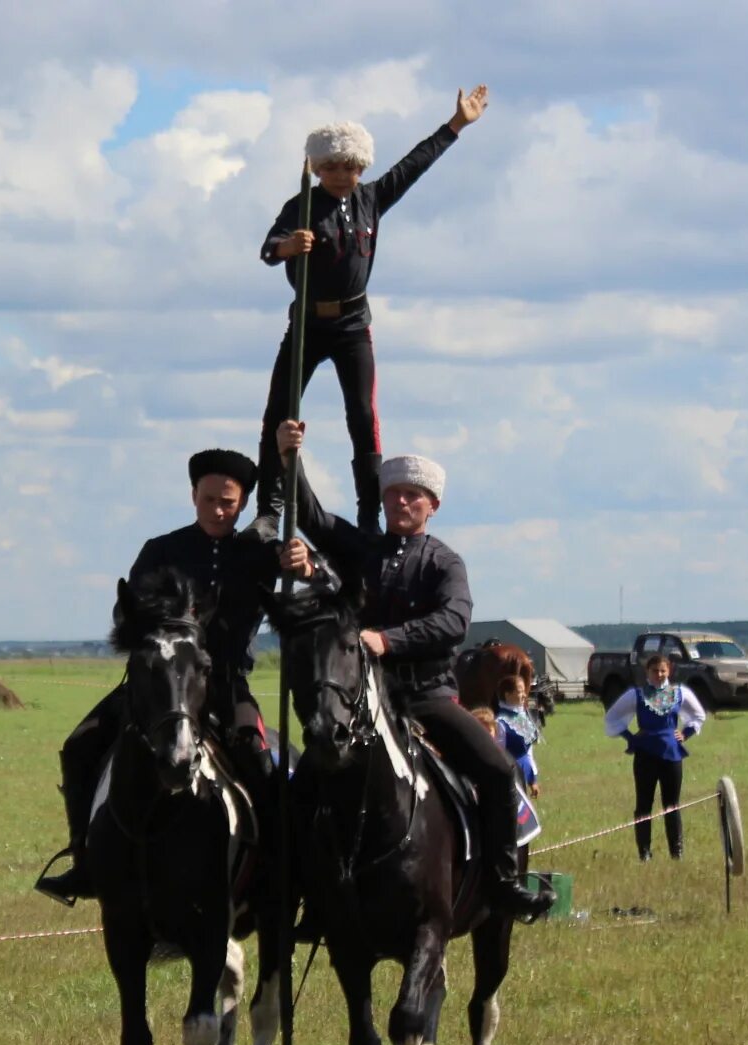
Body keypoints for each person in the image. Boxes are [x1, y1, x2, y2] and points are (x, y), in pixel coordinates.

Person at [276, 419, 553, 919]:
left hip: (426, 697)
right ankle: (295, 891)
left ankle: (502, 880)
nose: (401, 503)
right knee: (303, 786)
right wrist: (289, 458)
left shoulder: (446, 564)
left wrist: (388, 639)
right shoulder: (363, 550)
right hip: (362, 702)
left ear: (433, 505)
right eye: (393, 495)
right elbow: (313, 518)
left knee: (497, 770)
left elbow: (453, 621)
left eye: (412, 496)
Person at [36, 449, 283, 904]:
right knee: (80, 745)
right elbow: (123, 615)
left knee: (258, 756)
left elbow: (295, 587)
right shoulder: (160, 550)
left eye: (228, 503)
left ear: (242, 504)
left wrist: (301, 566)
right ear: (193, 496)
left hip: (225, 683)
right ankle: (85, 861)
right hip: (157, 686)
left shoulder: (257, 554)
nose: (217, 510)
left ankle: (275, 872)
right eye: (208, 499)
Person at [254, 85, 490, 537]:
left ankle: (368, 514)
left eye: (350, 167)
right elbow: (267, 250)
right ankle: (270, 509)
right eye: (332, 167)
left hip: (352, 325)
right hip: (306, 322)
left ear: (361, 167)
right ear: (318, 169)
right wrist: (288, 246)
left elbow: (415, 164)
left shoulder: (372, 199)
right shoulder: (301, 204)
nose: (342, 175)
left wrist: (456, 124)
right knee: (279, 412)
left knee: (362, 417)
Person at [604, 654, 706, 861]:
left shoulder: (680, 692)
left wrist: (685, 733)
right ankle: (644, 853)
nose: (659, 675)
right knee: (644, 805)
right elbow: (612, 717)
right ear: (647, 672)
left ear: (669, 671)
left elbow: (698, 715)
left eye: (662, 670)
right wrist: (629, 737)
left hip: (672, 755)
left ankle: (676, 853)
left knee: (672, 805)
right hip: (645, 756)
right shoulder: (637, 695)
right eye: (654, 671)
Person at [495, 675, 541, 798]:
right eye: (519, 692)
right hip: (509, 778)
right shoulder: (500, 722)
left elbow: (528, 752)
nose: (524, 695)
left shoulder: (521, 716)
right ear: (507, 694)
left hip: (523, 775)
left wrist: (533, 779)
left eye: (524, 691)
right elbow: (498, 755)